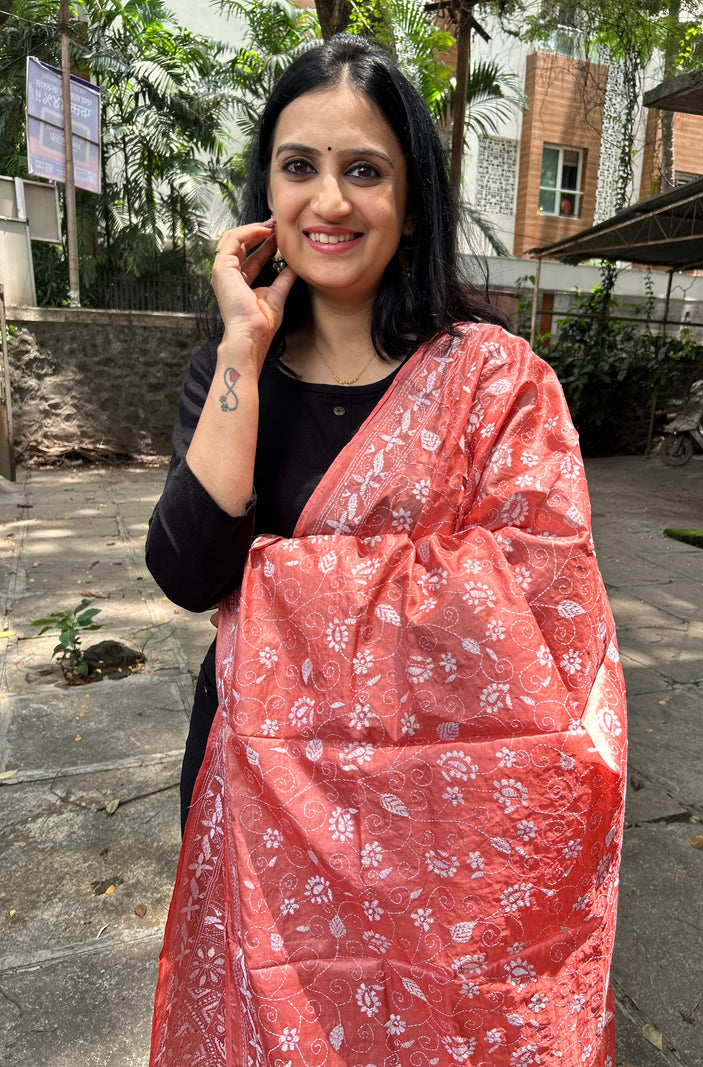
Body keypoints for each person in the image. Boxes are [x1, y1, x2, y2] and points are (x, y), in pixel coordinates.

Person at [147, 34, 626, 1067]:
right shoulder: (233, 374)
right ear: (265, 192)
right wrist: (241, 348)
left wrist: (277, 577)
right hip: (260, 790)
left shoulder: (495, 381)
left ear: (410, 201)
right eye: (299, 166)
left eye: (363, 169)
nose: (329, 200)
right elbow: (189, 572)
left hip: (444, 818)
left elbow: (542, 588)